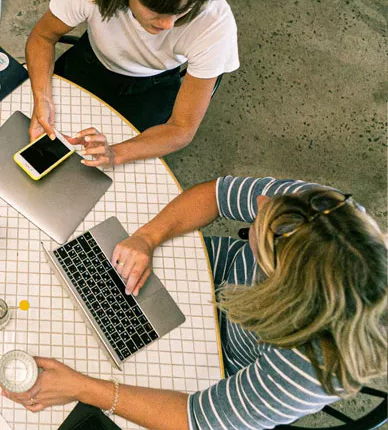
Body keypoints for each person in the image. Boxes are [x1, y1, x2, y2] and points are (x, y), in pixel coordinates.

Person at [1, 176, 387, 429]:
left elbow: (197, 418)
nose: (263, 200)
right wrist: (148, 238)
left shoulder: (310, 371)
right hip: (205, 275)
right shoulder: (323, 214)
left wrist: (82, 388)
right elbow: (215, 194)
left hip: (217, 370)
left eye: (267, 226)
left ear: (276, 289)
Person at [26, 0, 239, 168]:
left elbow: (182, 127)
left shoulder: (214, 23)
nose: (168, 24)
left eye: (182, 10)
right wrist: (43, 98)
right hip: (88, 64)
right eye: (155, 8)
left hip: (151, 90)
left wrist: (115, 154)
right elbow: (42, 37)